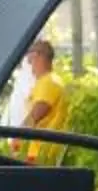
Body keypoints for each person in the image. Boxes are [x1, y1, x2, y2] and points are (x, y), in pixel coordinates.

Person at [19, 36, 70, 164]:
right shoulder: (47, 82)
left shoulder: (48, 82)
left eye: (29, 57)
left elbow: (35, 116)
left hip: (41, 155)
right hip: (40, 154)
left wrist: (16, 141)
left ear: (38, 56)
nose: (28, 63)